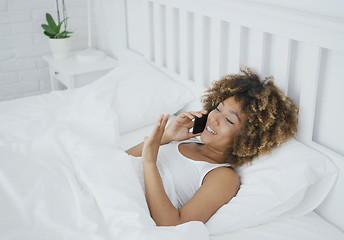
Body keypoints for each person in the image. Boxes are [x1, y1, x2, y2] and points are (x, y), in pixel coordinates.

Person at [125, 67, 298, 226]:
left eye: (229, 120)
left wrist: (150, 164)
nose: (214, 118)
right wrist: (167, 136)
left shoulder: (222, 176)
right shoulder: (184, 140)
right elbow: (122, 159)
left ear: (248, 139)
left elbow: (173, 225)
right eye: (217, 108)